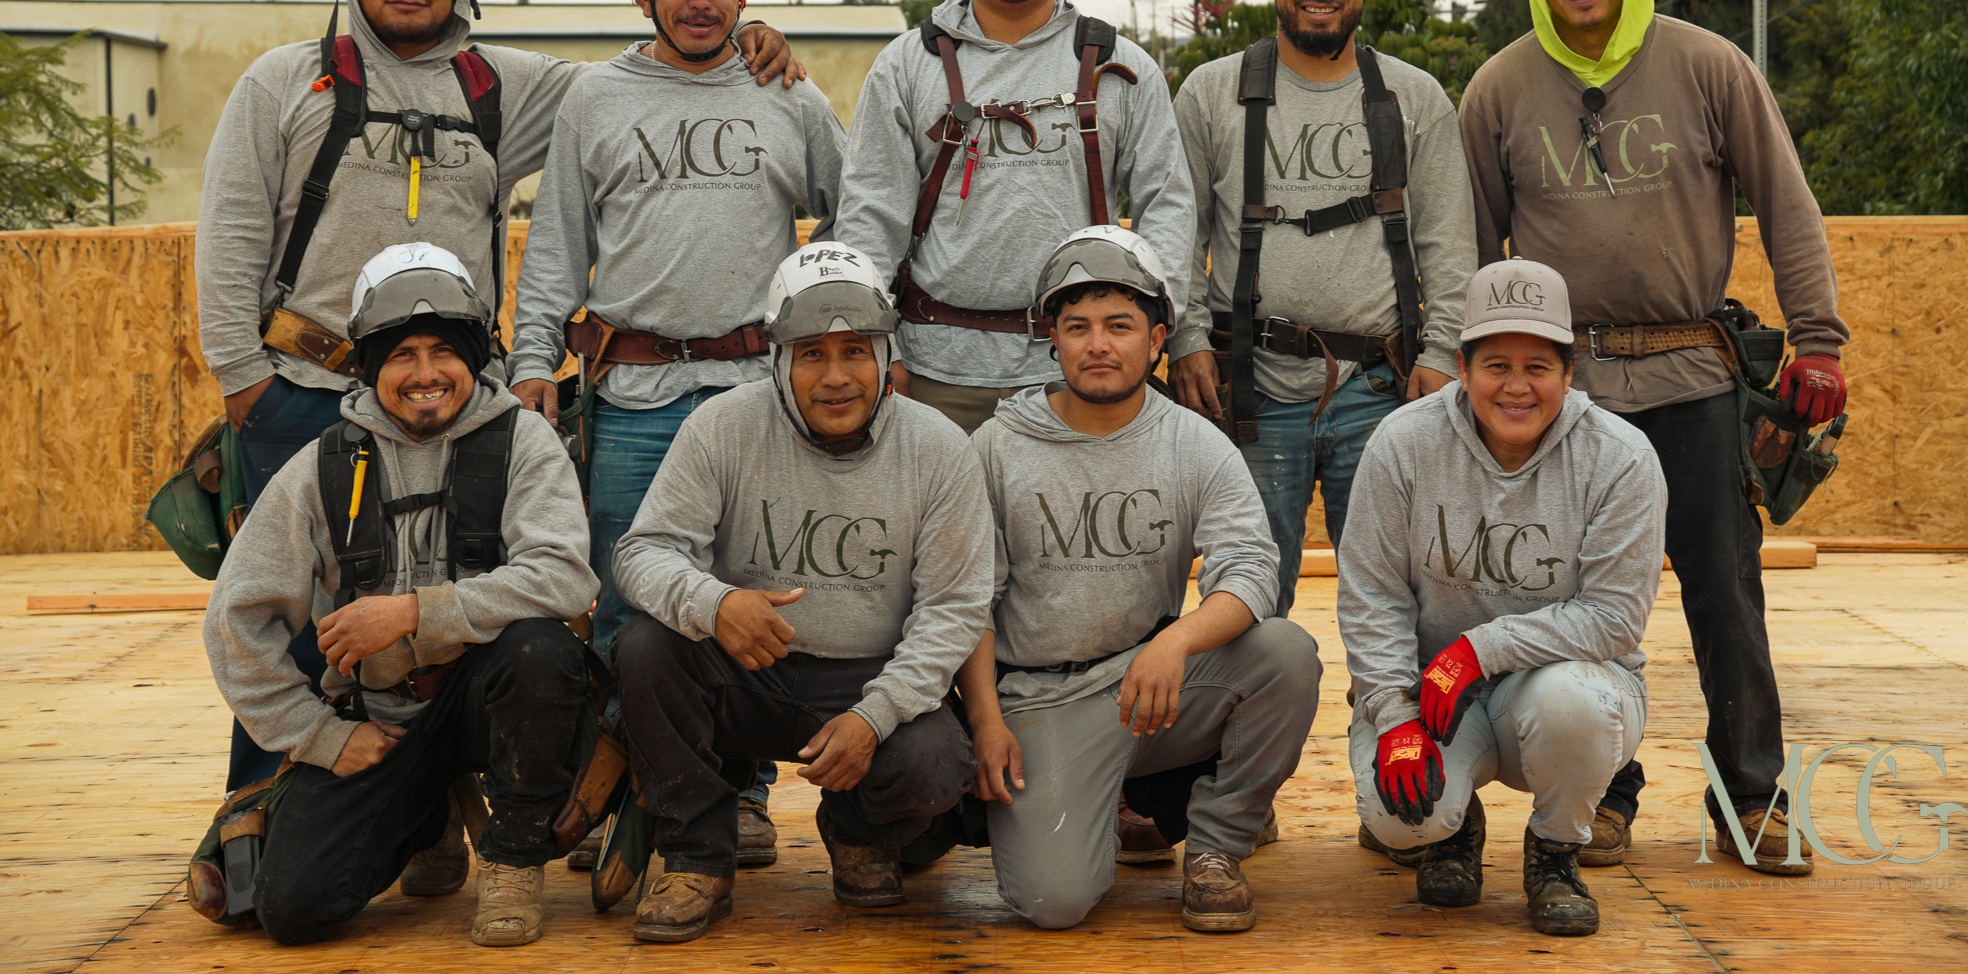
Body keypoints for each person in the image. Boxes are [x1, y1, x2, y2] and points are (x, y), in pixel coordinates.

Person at [194, 0, 798, 790]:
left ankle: (433, 806)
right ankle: (266, 810)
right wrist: (245, 379)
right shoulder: (282, 83)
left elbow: (650, 79)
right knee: (299, 613)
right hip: (308, 391)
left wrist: (743, 37)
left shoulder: (500, 87)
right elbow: (231, 233)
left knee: (451, 610)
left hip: (451, 402)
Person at [1458, 0, 1849, 875]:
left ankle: (1749, 797)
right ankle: (1601, 795)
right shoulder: (1498, 91)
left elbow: (1788, 203)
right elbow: (1472, 254)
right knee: (1571, 600)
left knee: (1725, 592)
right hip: (1566, 394)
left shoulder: (1710, 66)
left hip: (1693, 377)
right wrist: (1474, 375)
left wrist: (1818, 339)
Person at [509, 0, 845, 867]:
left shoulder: (786, 93)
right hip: (634, 393)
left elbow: (860, 207)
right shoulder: (597, 99)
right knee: (630, 598)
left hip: (755, 396)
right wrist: (533, 361)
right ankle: (637, 796)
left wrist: (834, 339)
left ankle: (737, 795)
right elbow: (557, 245)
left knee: (750, 592)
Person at [200, 243, 598, 947]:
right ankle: (426, 814)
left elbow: (564, 576)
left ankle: (512, 857)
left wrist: (413, 612)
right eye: (401, 355)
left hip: (489, 703)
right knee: (294, 909)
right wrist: (321, 736)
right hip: (381, 722)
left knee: (540, 652)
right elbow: (236, 619)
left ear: (473, 356)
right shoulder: (320, 465)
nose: (425, 374)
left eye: (443, 351)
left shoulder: (524, 442)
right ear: (368, 364)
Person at [609, 245, 992, 944]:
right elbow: (640, 553)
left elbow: (955, 608)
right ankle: (696, 856)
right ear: (777, 359)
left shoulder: (939, 448)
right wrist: (715, 602)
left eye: (856, 351)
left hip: (866, 676)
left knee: (937, 765)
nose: (836, 376)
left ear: (886, 354)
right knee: (644, 646)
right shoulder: (720, 425)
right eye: (812, 352)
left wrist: (874, 716)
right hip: (746, 669)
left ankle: (856, 831)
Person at [958, 226, 1319, 932]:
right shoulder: (996, 448)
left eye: (1119, 326)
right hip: (1041, 698)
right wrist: (987, 721)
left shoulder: (1193, 441)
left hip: (1149, 688)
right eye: (1078, 327)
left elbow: (1251, 567)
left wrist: (1176, 641)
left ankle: (1216, 847)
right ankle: (1096, 808)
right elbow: (966, 599)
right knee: (1055, 902)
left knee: (1285, 654)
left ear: (1157, 340)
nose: (1099, 344)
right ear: (1053, 340)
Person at [1168, 0, 1476, 616]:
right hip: (1251, 389)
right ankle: (1248, 700)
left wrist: (1441, 355)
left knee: (1398, 600)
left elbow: (1450, 247)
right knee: (1242, 598)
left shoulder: (1414, 99)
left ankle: (1397, 704)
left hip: (1381, 392)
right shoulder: (1210, 94)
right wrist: (1184, 338)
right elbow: (1176, 233)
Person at [1337, 258, 1665, 938]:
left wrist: (1479, 649)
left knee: (1572, 702)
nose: (1517, 386)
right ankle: (1453, 828)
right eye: (1496, 365)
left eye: (1538, 366)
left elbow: (1614, 618)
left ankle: (1555, 850)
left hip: (1558, 689)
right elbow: (1371, 595)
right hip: (1432, 692)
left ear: (1569, 373)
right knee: (1400, 819)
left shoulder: (1620, 456)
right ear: (1462, 368)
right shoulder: (1402, 443)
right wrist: (1394, 716)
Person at [835, 0, 1195, 435]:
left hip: (1076, 372)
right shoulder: (906, 67)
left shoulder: (1121, 66)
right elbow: (871, 215)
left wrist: (1155, 325)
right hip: (935, 374)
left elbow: (1168, 203)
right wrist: (876, 344)